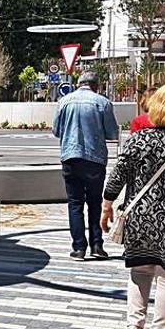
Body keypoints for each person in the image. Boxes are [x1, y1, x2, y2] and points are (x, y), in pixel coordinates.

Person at [101, 80, 165, 329]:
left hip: (139, 218)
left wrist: (107, 205)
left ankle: (134, 327)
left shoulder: (140, 138)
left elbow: (117, 175)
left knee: (140, 271)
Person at [52, 71, 120, 261]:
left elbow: (56, 131)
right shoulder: (102, 103)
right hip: (95, 160)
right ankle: (97, 245)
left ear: (79, 84)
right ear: (95, 85)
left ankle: (79, 248)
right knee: (94, 202)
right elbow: (113, 133)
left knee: (75, 204)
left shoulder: (64, 102)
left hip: (70, 157)